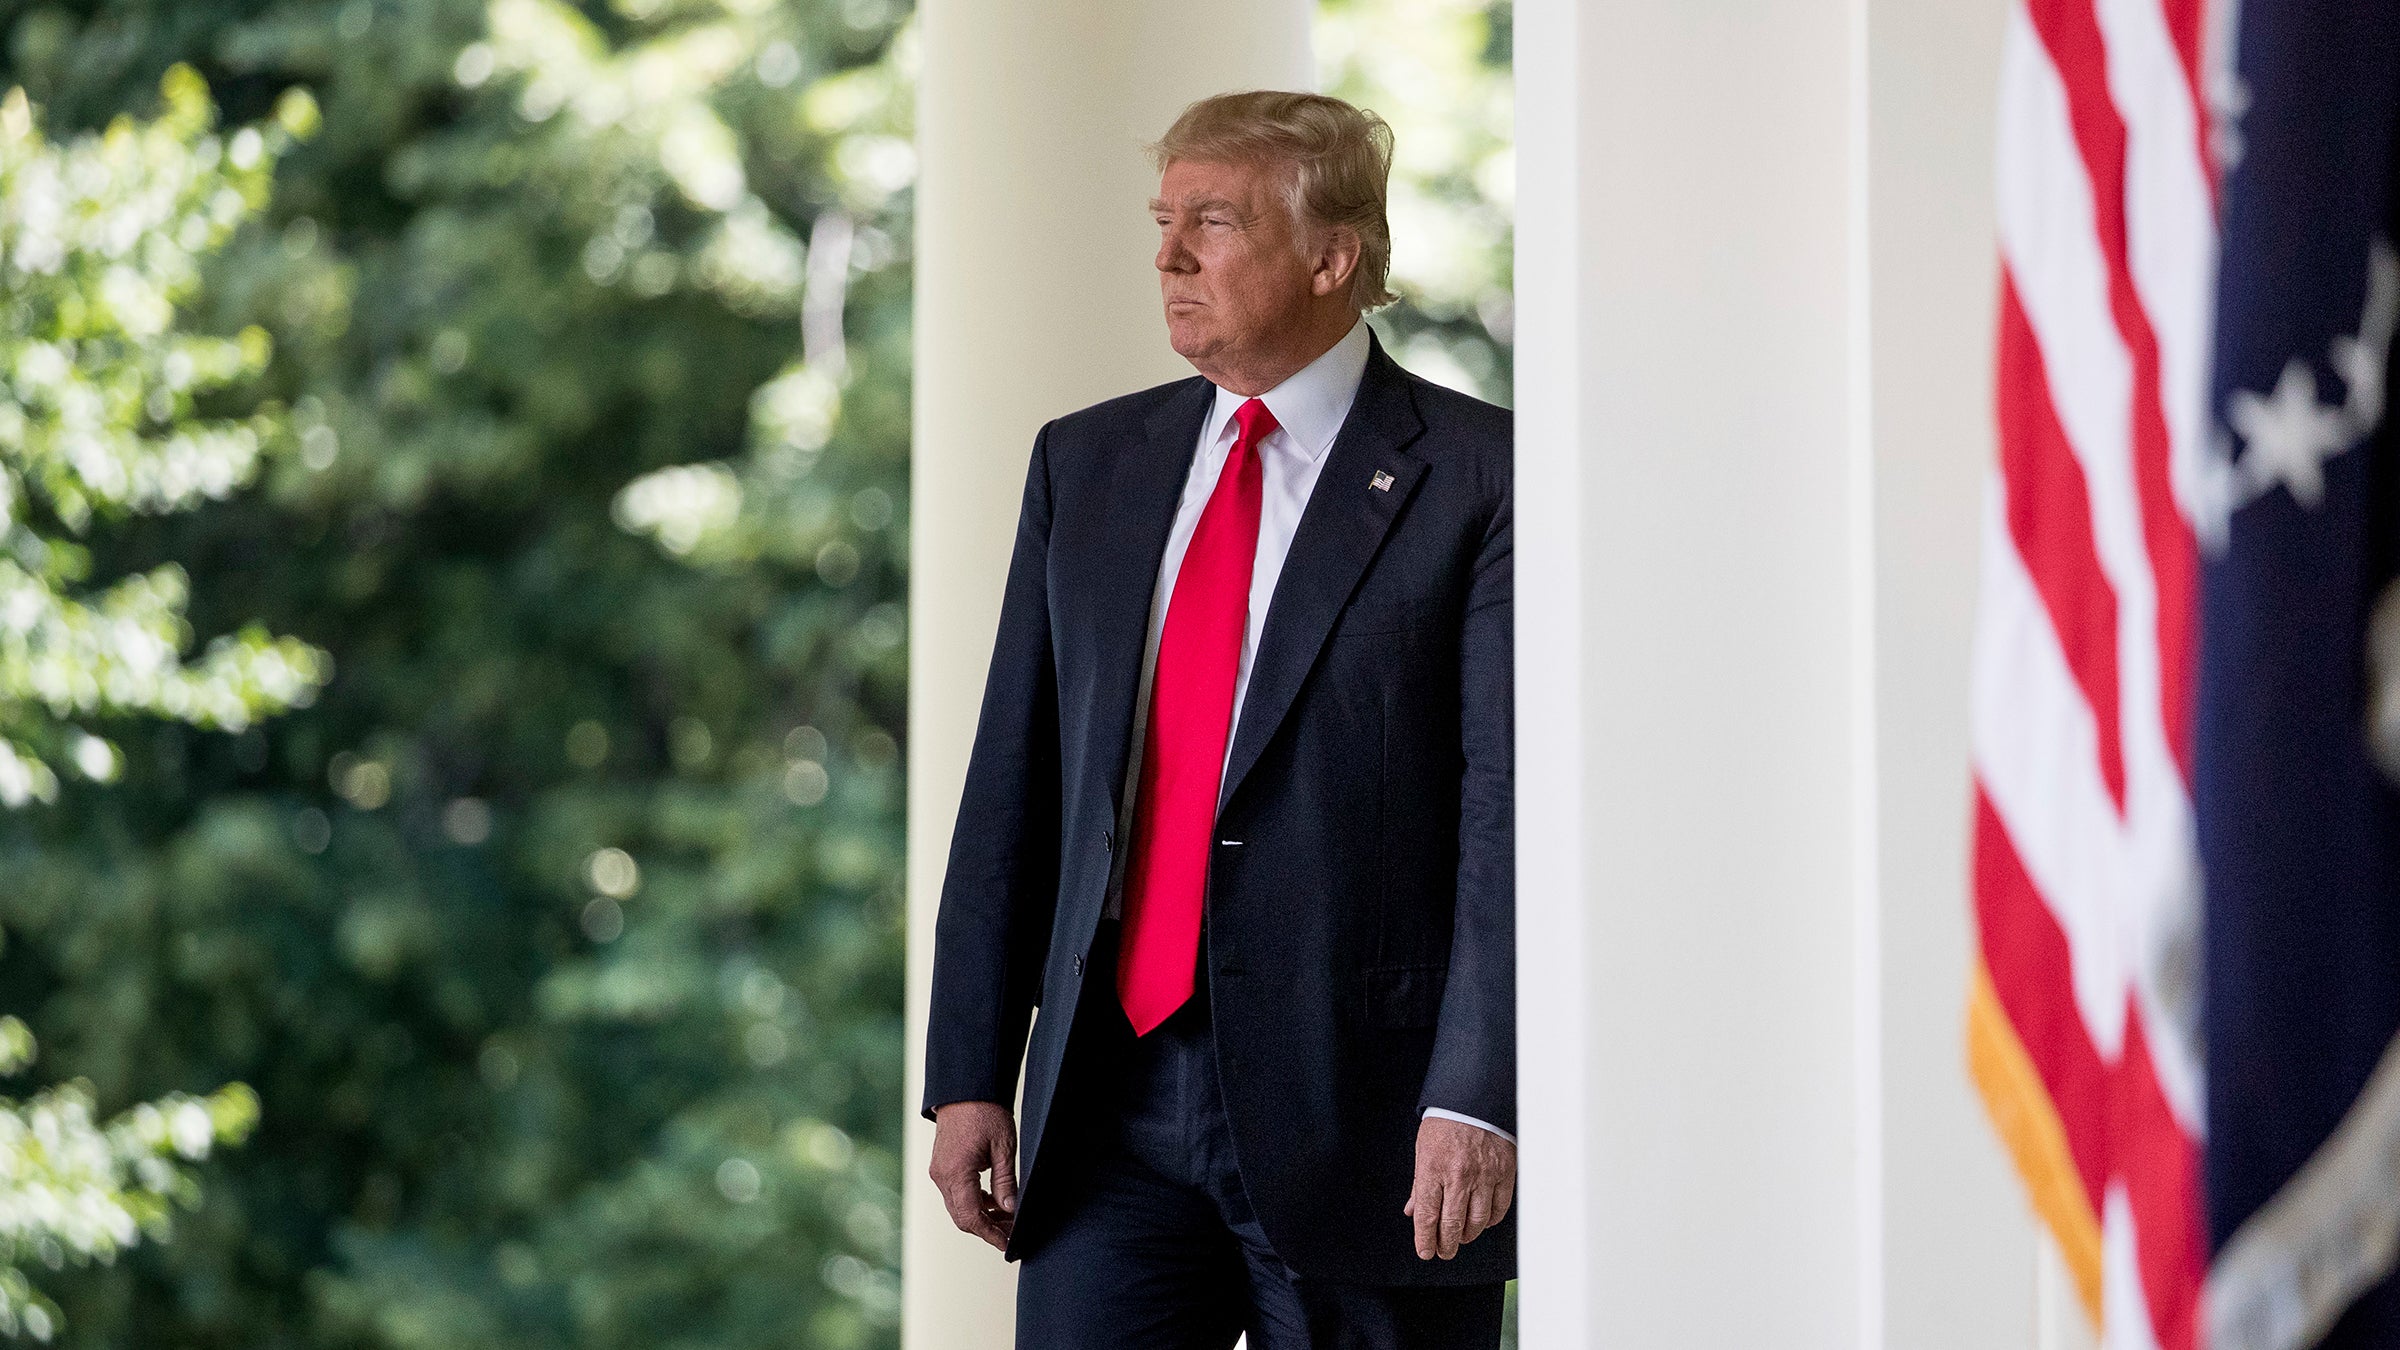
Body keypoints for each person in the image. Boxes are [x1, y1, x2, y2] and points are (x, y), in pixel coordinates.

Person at [921, 89, 1515, 1350]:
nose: (1169, 256)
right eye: (1163, 220)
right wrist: (972, 1066)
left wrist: (1480, 1093)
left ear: (1331, 255)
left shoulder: (1484, 478)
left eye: (1214, 220)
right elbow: (1014, 780)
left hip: (1372, 1115)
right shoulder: (1086, 463)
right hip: (1109, 1102)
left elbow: (1505, 815)